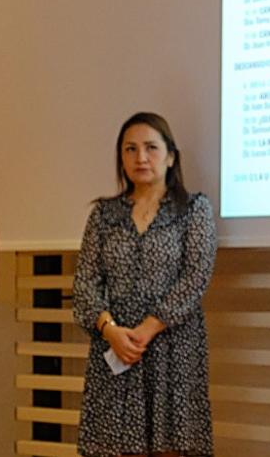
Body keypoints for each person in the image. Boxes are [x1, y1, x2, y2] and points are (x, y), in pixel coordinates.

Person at [73, 112, 216, 457]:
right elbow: (85, 284)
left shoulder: (193, 209)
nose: (141, 157)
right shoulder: (103, 215)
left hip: (173, 348)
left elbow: (196, 277)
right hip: (116, 348)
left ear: (171, 157)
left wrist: (147, 330)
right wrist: (111, 331)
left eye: (151, 148)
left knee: (172, 448)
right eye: (130, 149)